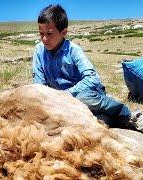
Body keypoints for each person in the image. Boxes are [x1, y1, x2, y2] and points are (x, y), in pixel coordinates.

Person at [31, 4, 143, 132]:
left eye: (49, 34)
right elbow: (38, 86)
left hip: (83, 94)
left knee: (83, 98)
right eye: (41, 34)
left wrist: (66, 94)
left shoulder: (73, 50)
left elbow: (92, 78)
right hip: (60, 101)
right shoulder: (39, 50)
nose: (44, 39)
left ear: (63, 33)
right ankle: (108, 116)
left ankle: (128, 115)